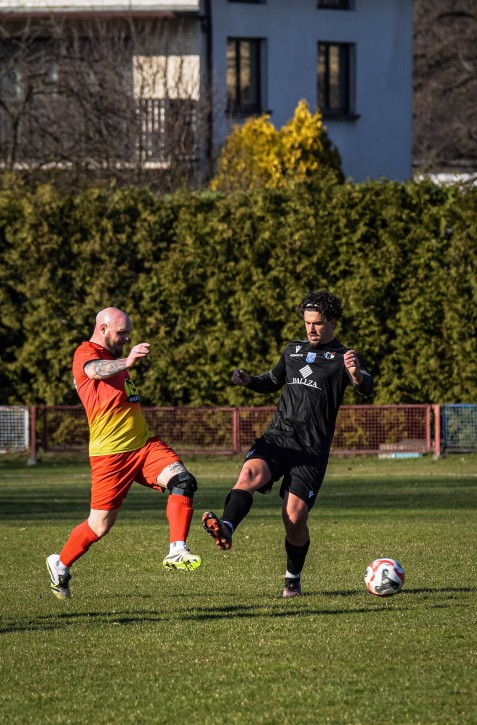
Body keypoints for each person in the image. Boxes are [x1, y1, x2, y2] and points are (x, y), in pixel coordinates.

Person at [202, 289, 373, 598]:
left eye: (317, 323)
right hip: (279, 435)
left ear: (333, 322)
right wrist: (249, 381)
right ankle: (226, 526)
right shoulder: (293, 350)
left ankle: (292, 579)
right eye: (307, 323)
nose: (311, 329)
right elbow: (272, 380)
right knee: (248, 474)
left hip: (311, 449)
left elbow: (365, 385)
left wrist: (356, 376)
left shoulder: (343, 357)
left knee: (293, 517)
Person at [47, 307, 201, 600]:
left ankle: (177, 549)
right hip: (110, 455)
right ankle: (60, 564)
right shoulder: (86, 352)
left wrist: (124, 362)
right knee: (100, 525)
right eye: (122, 332)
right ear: (103, 328)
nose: (127, 337)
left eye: (128, 333)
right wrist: (127, 361)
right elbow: (94, 370)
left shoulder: (113, 358)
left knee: (184, 481)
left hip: (143, 445)